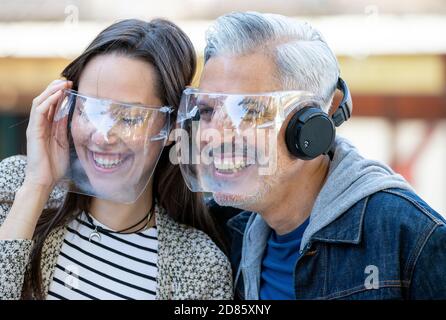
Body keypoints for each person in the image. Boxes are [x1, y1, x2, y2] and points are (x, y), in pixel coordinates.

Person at [177, 12, 446, 299]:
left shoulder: (410, 237)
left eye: (250, 112)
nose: (211, 134)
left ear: (313, 126)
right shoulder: (221, 233)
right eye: (206, 111)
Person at [0, 18, 232, 300]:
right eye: (88, 109)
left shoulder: (201, 266)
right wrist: (37, 186)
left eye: (130, 117)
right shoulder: (14, 191)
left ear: (172, 126)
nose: (102, 136)